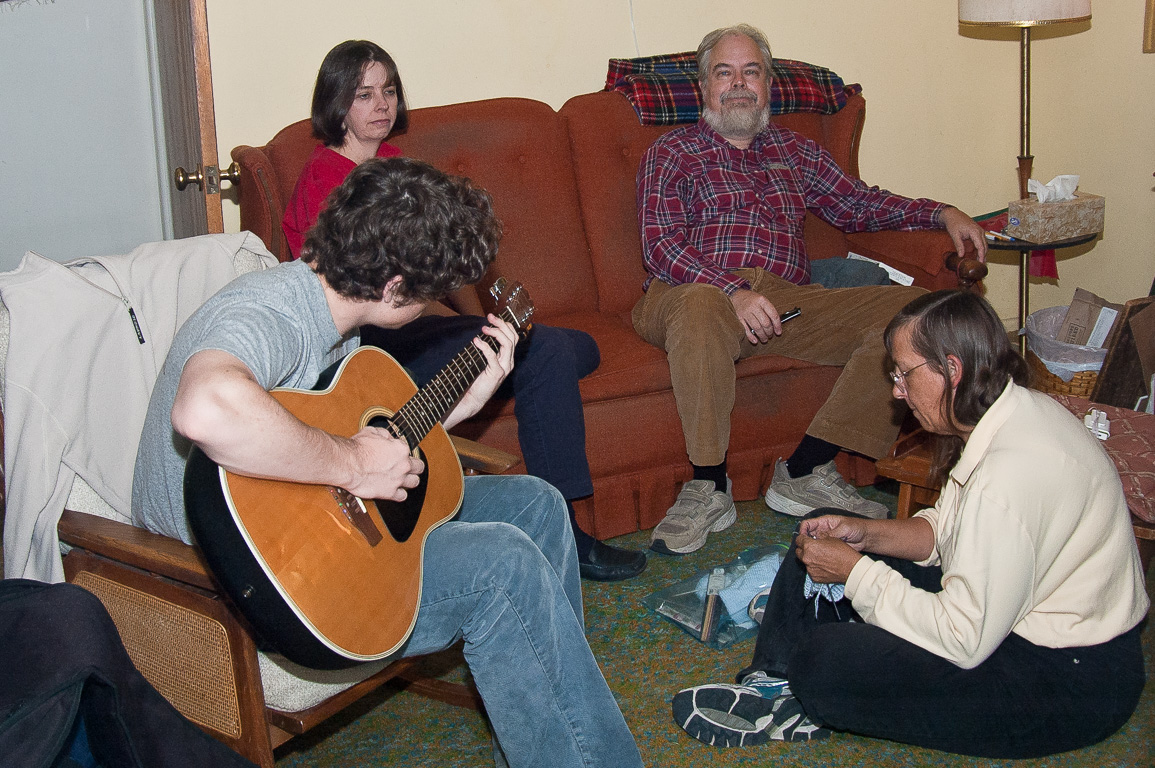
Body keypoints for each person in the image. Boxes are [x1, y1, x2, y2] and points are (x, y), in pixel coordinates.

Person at [131, 158, 643, 768]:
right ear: (395, 287)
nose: (431, 309)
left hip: (316, 534)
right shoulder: (270, 312)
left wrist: (460, 408)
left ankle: (560, 716)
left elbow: (370, 438)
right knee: (505, 569)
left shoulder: (337, 323)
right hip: (248, 581)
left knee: (536, 503)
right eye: (428, 295)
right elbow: (205, 411)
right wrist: (350, 464)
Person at [671, 289, 1149, 757]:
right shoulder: (1009, 412)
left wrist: (856, 573)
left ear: (951, 370)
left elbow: (963, 640)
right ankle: (774, 685)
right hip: (1009, 623)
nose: (897, 390)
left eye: (904, 374)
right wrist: (865, 535)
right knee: (820, 527)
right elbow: (947, 532)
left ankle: (802, 687)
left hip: (1066, 681)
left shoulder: (1009, 477)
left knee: (824, 662)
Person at [283, 39, 645, 581]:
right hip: (368, 342)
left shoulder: (393, 164)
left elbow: (444, 261)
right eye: (363, 95)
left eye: (388, 91)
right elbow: (354, 293)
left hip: (414, 324)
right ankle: (565, 529)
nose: (381, 104)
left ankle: (539, 351)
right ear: (336, 104)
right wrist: (469, 326)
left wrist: (478, 321)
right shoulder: (325, 183)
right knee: (549, 349)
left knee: (568, 347)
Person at [635, 23, 990, 555]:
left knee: (920, 313)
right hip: (688, 294)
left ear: (768, 84)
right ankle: (709, 485)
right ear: (704, 87)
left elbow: (862, 204)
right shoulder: (672, 152)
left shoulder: (794, 152)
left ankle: (803, 470)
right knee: (701, 301)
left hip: (784, 304)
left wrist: (941, 212)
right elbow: (660, 244)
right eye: (723, 73)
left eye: (750, 72)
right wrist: (733, 289)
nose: (738, 84)